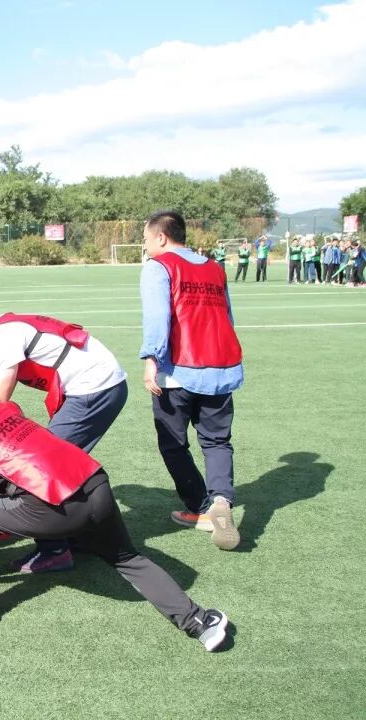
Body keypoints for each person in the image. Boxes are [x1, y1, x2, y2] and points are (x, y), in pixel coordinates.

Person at [0, 369, 230, 652]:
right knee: (127, 558)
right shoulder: (1, 408)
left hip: (57, 506)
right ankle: (200, 623)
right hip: (95, 483)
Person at [0, 293, 128, 573]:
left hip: (95, 388)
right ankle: (82, 535)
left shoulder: (3, 336)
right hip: (100, 385)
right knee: (62, 462)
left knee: (43, 467)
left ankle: (55, 550)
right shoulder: (7, 329)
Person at [140, 210, 243, 551]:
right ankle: (221, 501)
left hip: (179, 371)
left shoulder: (158, 267)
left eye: (146, 239)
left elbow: (158, 317)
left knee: (173, 443)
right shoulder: (214, 267)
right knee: (217, 442)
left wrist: (152, 360)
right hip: (221, 366)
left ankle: (200, 508)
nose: (145, 245)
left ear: (161, 237)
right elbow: (227, 316)